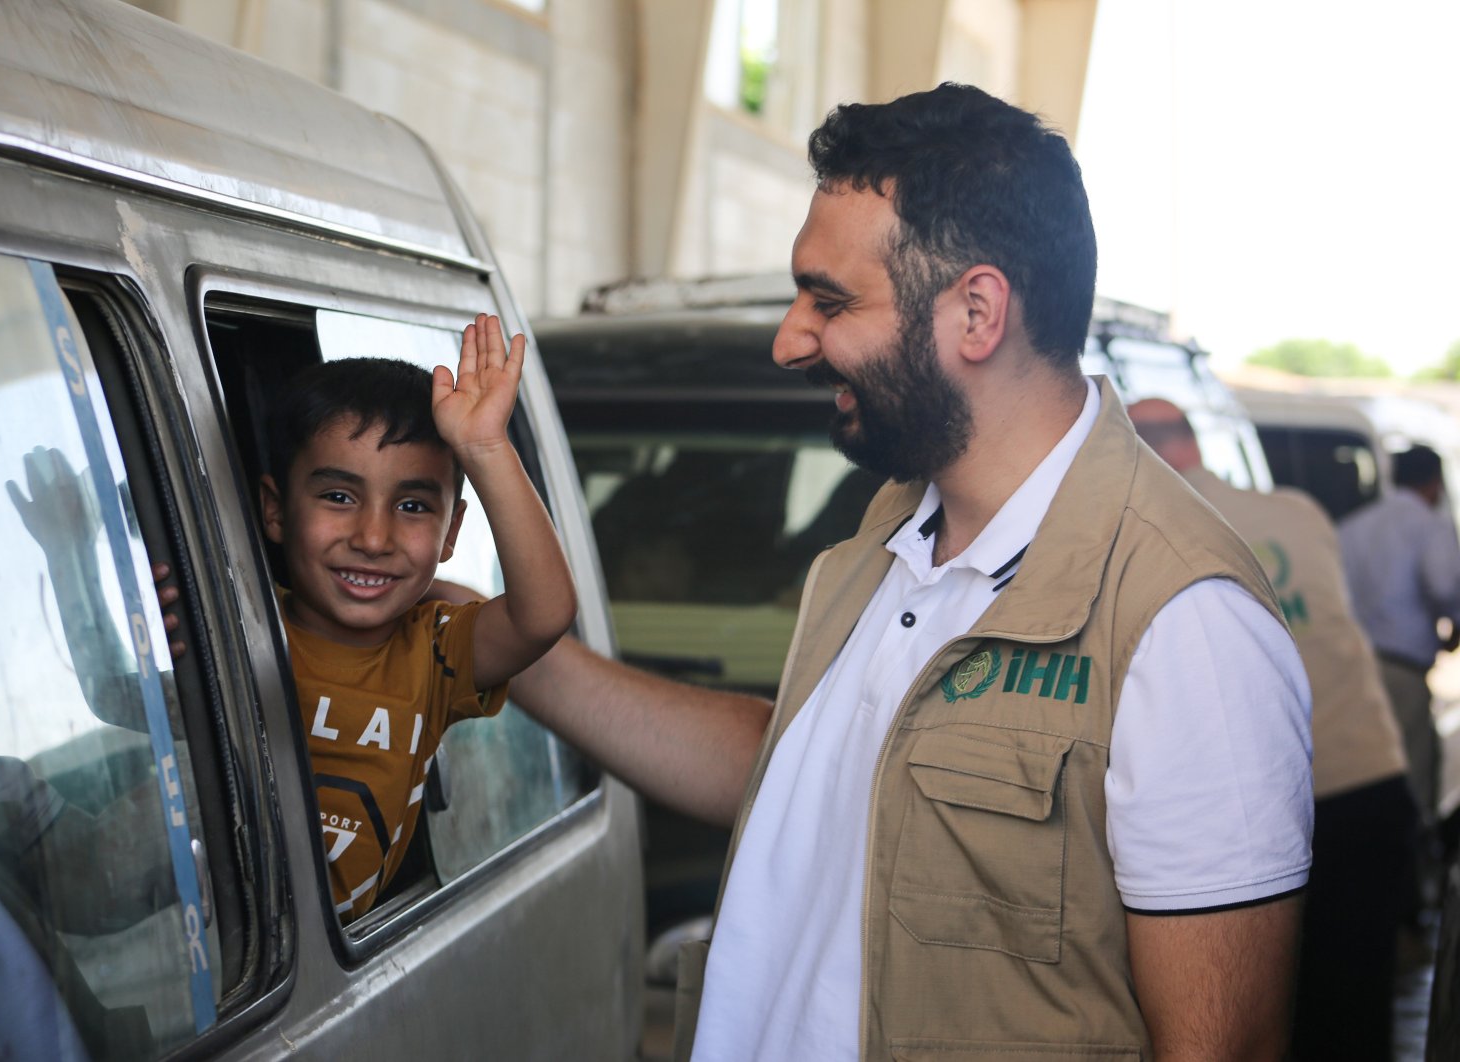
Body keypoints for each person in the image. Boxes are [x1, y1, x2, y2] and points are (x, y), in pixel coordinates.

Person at [486, 84, 1313, 1060]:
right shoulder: (891, 526)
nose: (789, 340)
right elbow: (808, 773)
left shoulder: (1183, 625)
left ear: (975, 311)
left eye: (829, 300)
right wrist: (497, 647)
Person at [259, 315, 575, 920]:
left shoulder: (433, 654)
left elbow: (544, 614)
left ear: (450, 532)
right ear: (276, 510)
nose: (373, 537)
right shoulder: (244, 626)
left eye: (411, 506)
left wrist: (485, 448)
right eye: (338, 497)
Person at [1129, 397, 1415, 1061]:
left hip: (1254, 815)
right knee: (1357, 1007)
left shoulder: (1144, 528)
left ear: (1133, 452)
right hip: (1369, 778)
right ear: (1193, 443)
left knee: (1261, 1020)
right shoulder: (1297, 511)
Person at [1337, 444, 1460, 824]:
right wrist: (1452, 626)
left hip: (1354, 669)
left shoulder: (1353, 526)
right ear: (1434, 483)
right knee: (1413, 773)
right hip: (1403, 669)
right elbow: (1444, 587)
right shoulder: (1429, 525)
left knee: (1365, 771)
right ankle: (1416, 869)